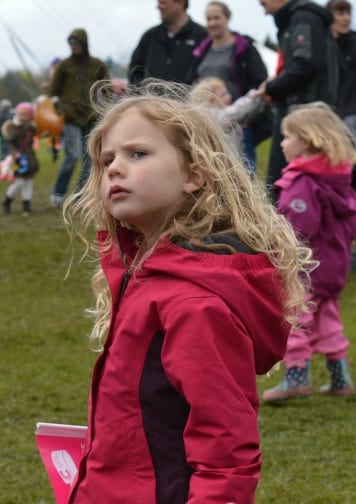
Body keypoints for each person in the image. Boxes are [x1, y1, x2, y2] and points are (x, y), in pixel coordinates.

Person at [62, 80, 313, 502]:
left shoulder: (193, 305)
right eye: (107, 160)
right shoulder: (141, 277)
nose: (114, 169)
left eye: (137, 153)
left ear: (193, 174)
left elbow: (226, 453)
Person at [261, 103, 356, 401]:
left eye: (287, 137)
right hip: (333, 268)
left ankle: (296, 377)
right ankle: (341, 379)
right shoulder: (338, 180)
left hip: (306, 269)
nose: (283, 143)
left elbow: (297, 229)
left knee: (294, 319)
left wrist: (273, 242)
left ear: (307, 140)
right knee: (328, 320)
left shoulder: (303, 184)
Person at [256, 0, 339, 195]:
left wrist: (271, 87)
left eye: (263, 3)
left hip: (302, 119)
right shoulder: (302, 19)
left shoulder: (302, 19)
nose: (264, 11)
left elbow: (305, 65)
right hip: (310, 117)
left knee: (286, 188)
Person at [188, 1, 269, 169]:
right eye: (209, 19)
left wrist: (251, 105)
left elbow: (259, 80)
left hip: (238, 121)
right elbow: (191, 80)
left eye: (217, 18)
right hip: (208, 121)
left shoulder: (243, 48)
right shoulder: (202, 50)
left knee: (240, 167)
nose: (212, 23)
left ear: (228, 18)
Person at [48, 28, 109, 207]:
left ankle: (82, 195)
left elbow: (105, 87)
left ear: (84, 44)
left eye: (77, 43)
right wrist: (58, 107)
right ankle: (58, 193)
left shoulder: (97, 64)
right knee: (72, 156)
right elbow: (54, 90)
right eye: (71, 43)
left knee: (89, 158)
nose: (74, 46)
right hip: (70, 117)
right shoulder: (64, 65)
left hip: (91, 116)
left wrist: (106, 105)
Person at [129, 0, 208, 85]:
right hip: (150, 97)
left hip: (189, 97)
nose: (158, 7)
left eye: (163, 2)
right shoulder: (150, 36)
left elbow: (208, 75)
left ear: (181, 3)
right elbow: (135, 72)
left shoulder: (202, 36)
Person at [326, 0, 356, 189]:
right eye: (340, 13)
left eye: (348, 13)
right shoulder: (323, 47)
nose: (346, 18)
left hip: (351, 114)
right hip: (328, 116)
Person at [0, 102, 39, 216]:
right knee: (19, 181)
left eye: (26, 114)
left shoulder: (30, 128)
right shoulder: (13, 128)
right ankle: (7, 200)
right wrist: (14, 153)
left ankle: (26, 204)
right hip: (18, 159)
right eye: (21, 114)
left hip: (29, 158)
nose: (23, 117)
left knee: (29, 181)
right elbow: (10, 143)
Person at [0, 98, 13, 164]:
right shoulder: (12, 115)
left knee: (4, 152)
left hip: (3, 137)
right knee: (11, 151)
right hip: (11, 136)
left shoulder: (1, 116)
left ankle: (3, 165)